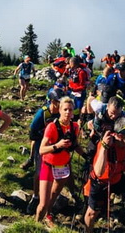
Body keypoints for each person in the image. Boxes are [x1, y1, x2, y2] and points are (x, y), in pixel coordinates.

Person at [35, 96, 86, 228]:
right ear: (60, 110)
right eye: (65, 109)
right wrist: (57, 145)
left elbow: (75, 145)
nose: (68, 112)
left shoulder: (75, 127)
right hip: (48, 166)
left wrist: (88, 157)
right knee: (43, 204)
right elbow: (41, 150)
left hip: (63, 167)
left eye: (70, 109)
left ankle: (49, 215)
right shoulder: (52, 127)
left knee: (53, 197)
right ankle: (35, 225)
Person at [22, 89, 64, 213]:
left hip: (57, 146)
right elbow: (32, 133)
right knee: (39, 172)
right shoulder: (42, 113)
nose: (59, 104)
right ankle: (35, 197)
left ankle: (50, 197)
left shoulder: (62, 112)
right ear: (51, 101)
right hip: (42, 146)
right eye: (57, 101)